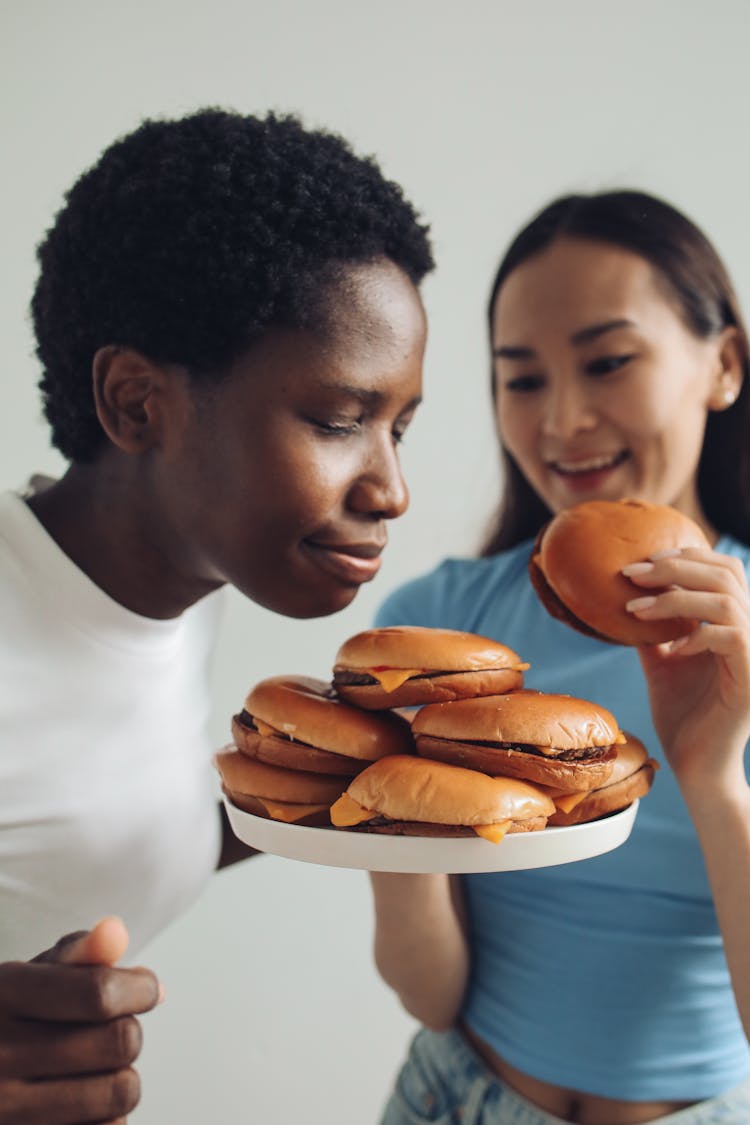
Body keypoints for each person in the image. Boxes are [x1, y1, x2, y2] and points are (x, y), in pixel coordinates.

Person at [0, 107, 433, 1123]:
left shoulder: (167, 584)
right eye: (339, 421)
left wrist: (348, 780)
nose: (393, 490)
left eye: (401, 429)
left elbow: (83, 801)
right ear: (139, 404)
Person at [369, 190, 750, 1124]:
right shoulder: (439, 631)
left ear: (724, 365)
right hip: (452, 1097)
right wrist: (391, 797)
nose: (563, 421)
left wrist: (711, 776)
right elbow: (431, 994)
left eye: (608, 362)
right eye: (523, 378)